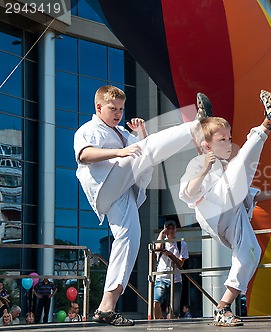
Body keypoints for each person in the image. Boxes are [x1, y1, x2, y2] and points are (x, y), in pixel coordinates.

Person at [74, 85, 202, 326]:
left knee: (130, 239)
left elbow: (148, 152)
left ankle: (106, 306)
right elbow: (84, 155)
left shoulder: (123, 133)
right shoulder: (89, 129)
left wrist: (142, 134)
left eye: (121, 109)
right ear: (99, 107)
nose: (118, 113)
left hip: (123, 191)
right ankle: (196, 126)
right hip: (105, 188)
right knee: (142, 150)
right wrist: (122, 152)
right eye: (113, 109)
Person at [179, 90, 271, 327]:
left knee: (251, 254)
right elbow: (187, 193)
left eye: (229, 138)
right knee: (238, 168)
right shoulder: (198, 163)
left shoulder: (225, 165)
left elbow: (248, 194)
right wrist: (204, 169)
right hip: (212, 209)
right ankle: (269, 121)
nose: (229, 142)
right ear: (206, 145)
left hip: (234, 215)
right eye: (223, 139)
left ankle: (223, 307)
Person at [154, 220, 189, 319]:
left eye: (173, 228)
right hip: (161, 277)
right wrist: (161, 233)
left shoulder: (181, 244)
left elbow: (180, 264)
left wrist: (170, 255)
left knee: (175, 310)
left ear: (176, 229)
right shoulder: (162, 244)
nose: (171, 230)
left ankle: (173, 323)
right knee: (156, 300)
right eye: (168, 228)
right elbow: (157, 247)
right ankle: (157, 322)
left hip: (176, 279)